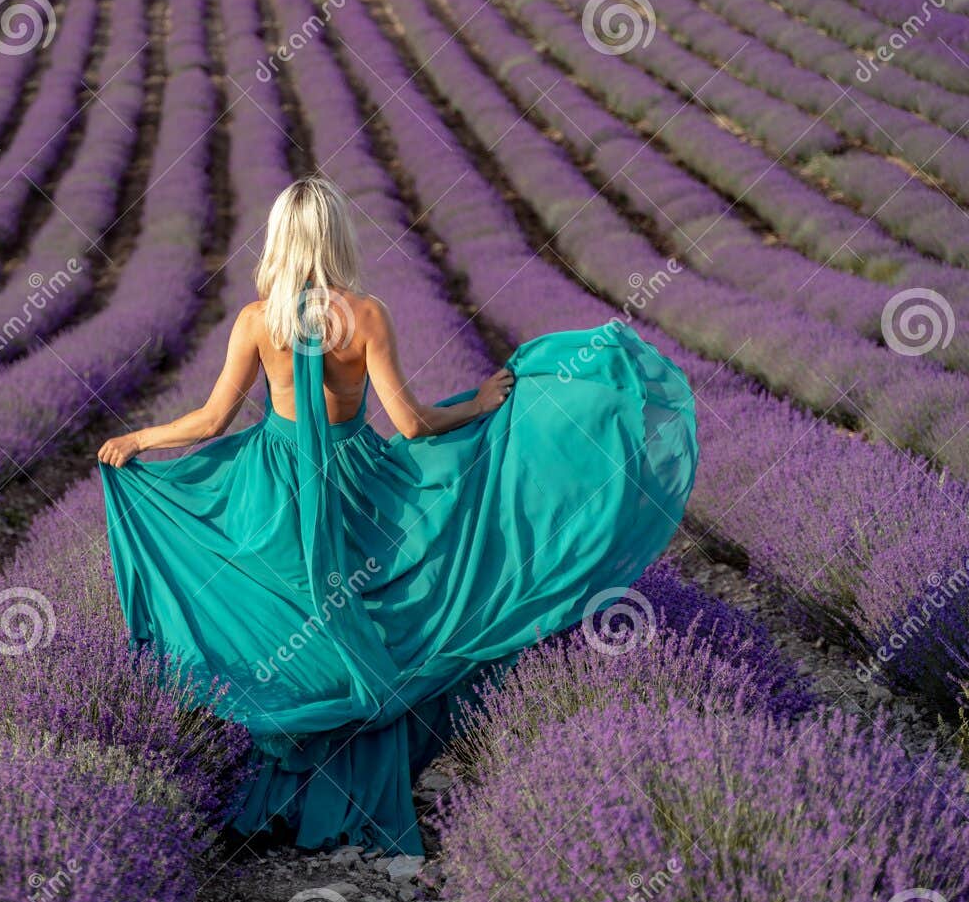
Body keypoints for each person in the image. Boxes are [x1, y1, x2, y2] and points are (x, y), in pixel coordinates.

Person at [97, 175, 698, 855]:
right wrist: (478, 406)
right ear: (337, 238)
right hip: (357, 484)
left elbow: (211, 420)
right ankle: (357, 777)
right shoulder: (367, 315)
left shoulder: (257, 322)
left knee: (292, 625)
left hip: (274, 491)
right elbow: (411, 424)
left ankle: (287, 785)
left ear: (280, 241)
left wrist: (138, 441)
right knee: (381, 614)